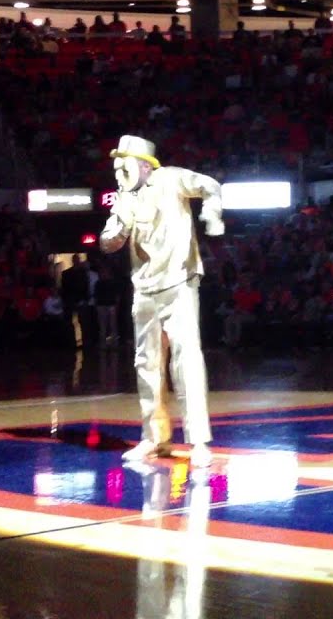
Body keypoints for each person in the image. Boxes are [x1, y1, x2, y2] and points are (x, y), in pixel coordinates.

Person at [100, 135, 224, 466]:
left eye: (121, 162)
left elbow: (210, 185)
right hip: (144, 288)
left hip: (178, 282)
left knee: (186, 360)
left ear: (142, 163)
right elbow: (107, 239)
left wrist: (212, 214)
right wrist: (113, 236)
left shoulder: (169, 178)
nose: (116, 170)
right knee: (147, 364)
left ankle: (198, 441)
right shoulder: (123, 198)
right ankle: (154, 438)